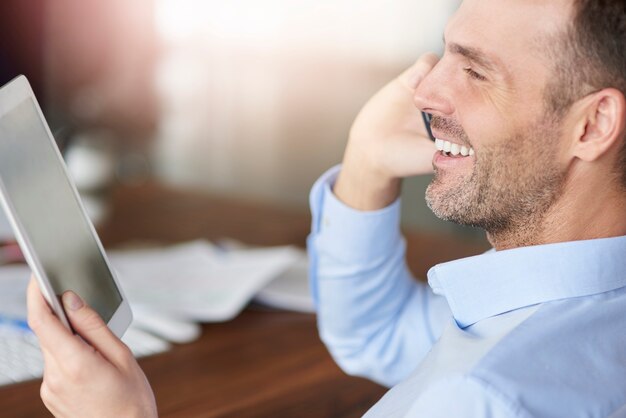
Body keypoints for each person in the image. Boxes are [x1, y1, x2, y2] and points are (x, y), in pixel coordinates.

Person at [27, 0, 626, 416]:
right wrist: (365, 165)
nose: (424, 91)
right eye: (441, 53)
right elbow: (379, 335)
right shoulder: (572, 306)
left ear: (593, 124)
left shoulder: (482, 397)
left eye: (474, 69)